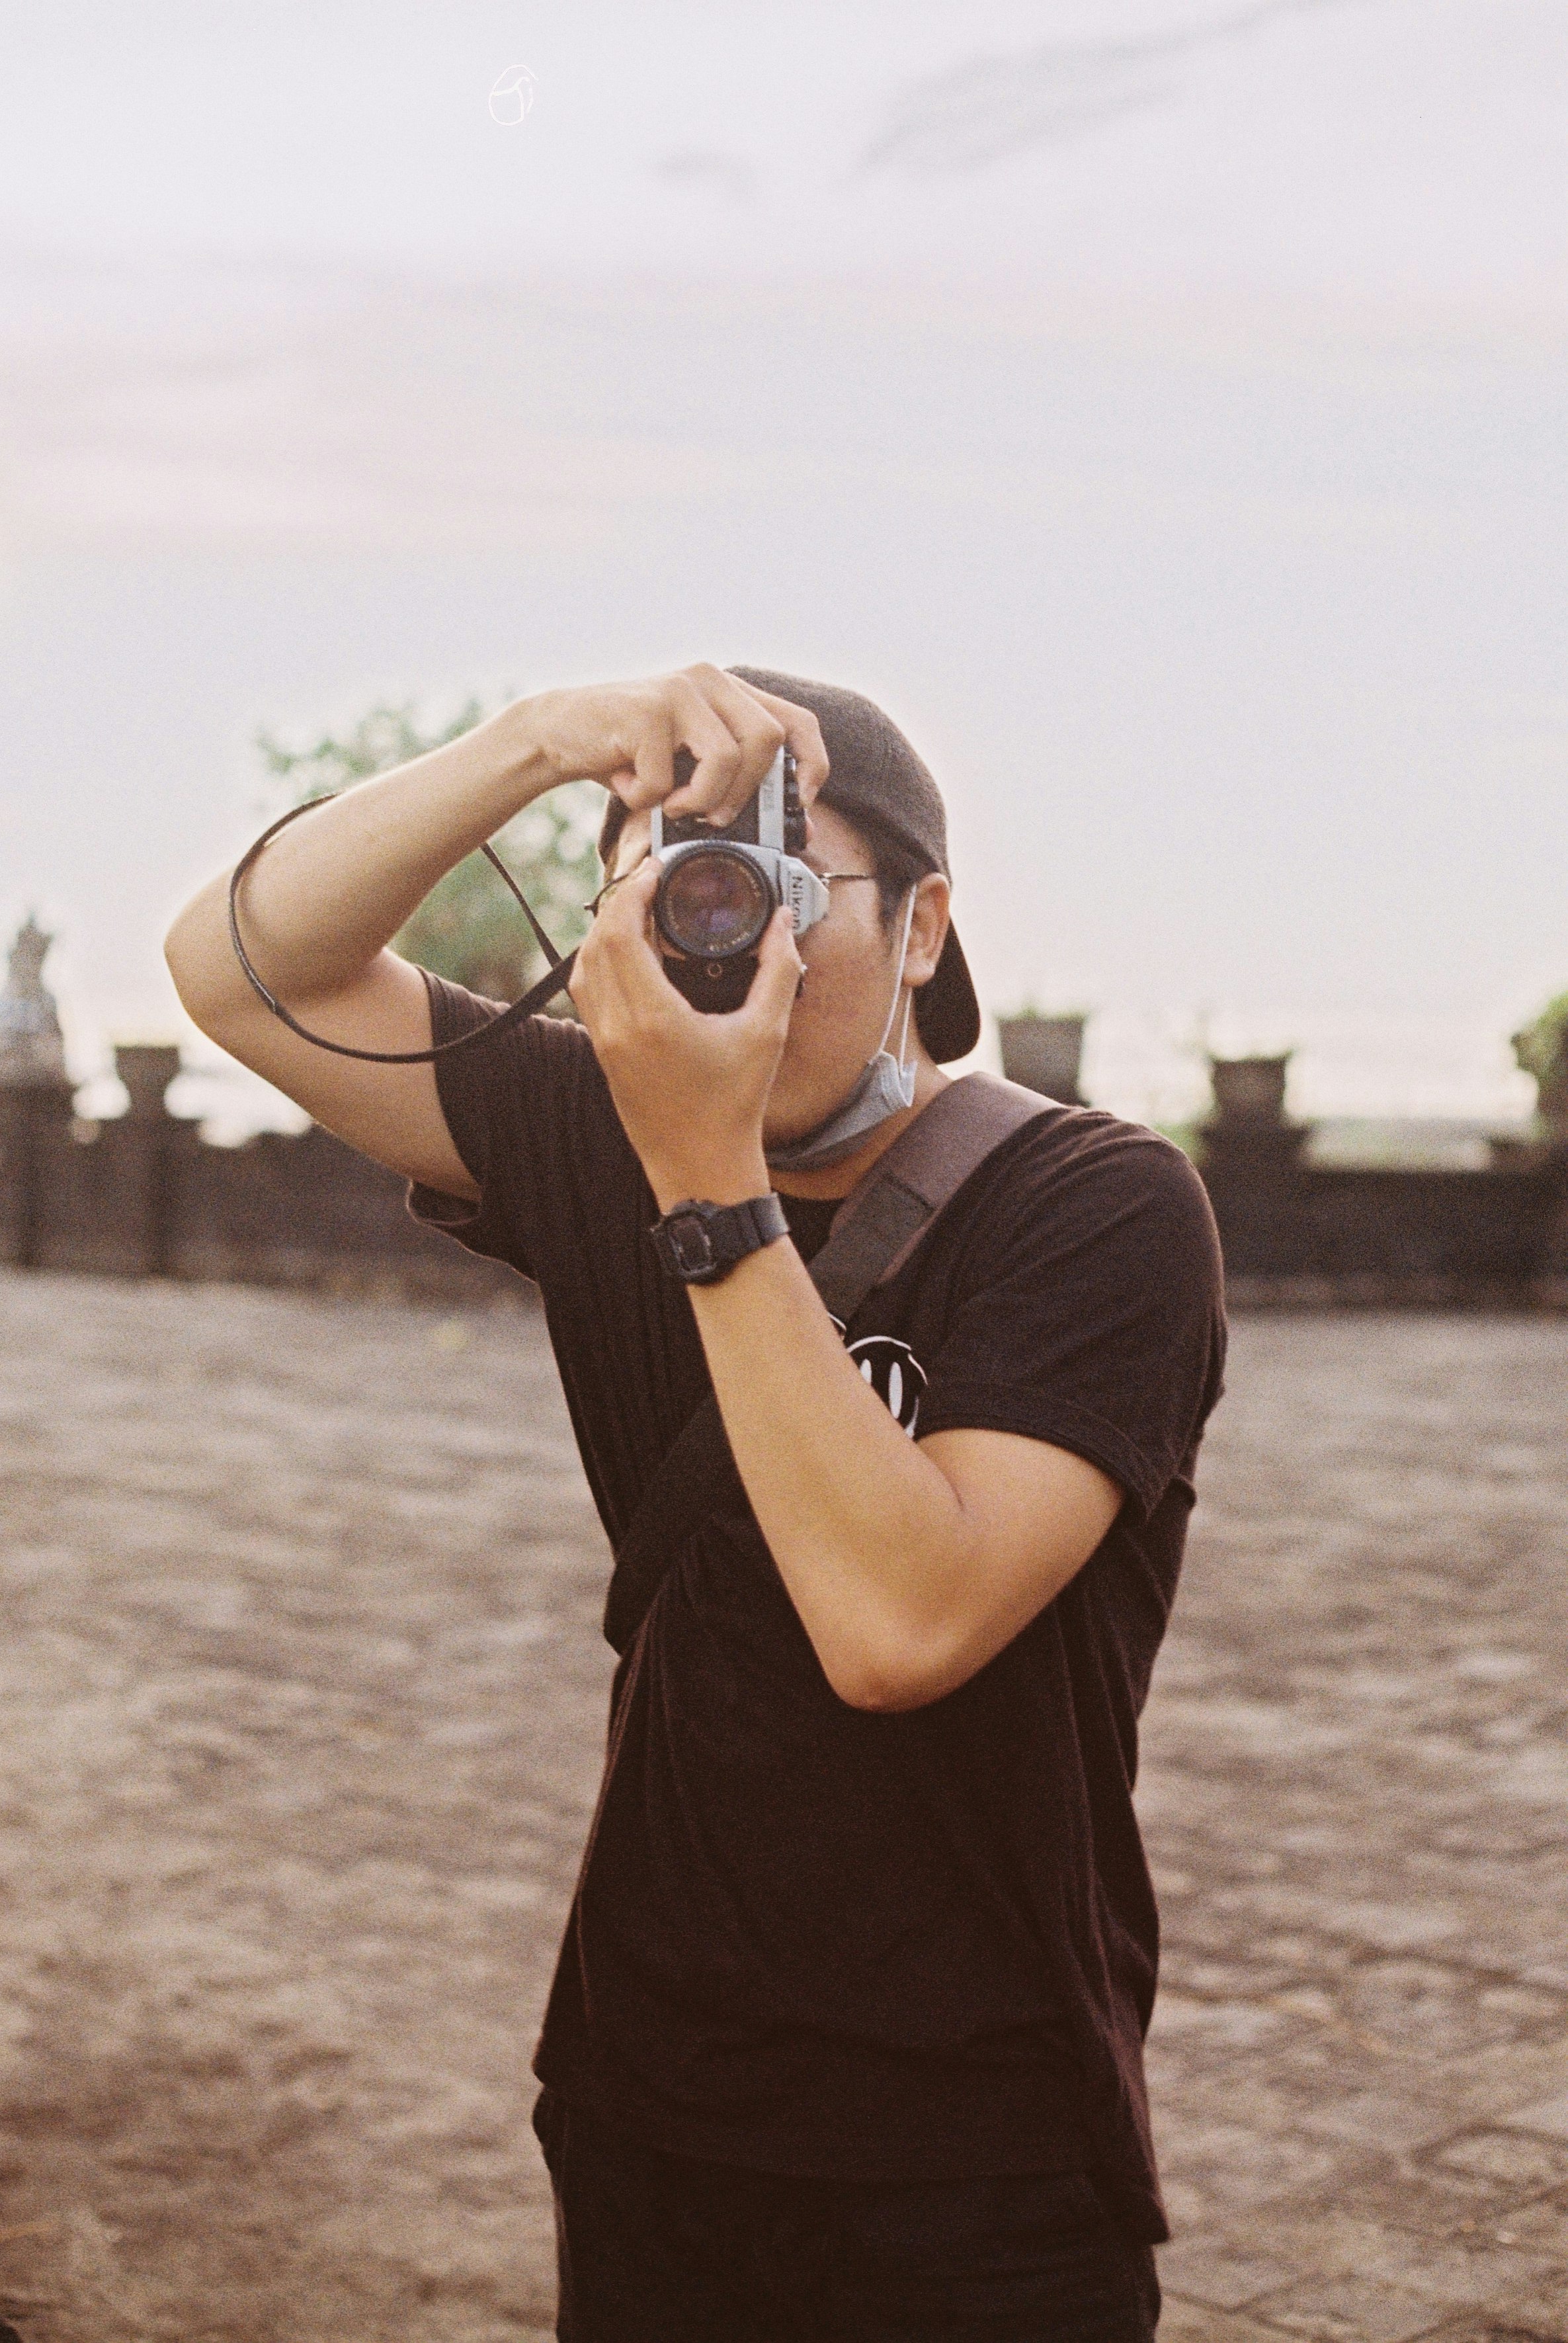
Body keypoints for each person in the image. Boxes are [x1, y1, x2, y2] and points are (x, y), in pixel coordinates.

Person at [165, 663, 1225, 2342]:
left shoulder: (1095, 1206)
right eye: (675, 891)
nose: (736, 946)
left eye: (780, 888)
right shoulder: (604, 1124)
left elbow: (899, 1622)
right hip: (645, 2083)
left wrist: (707, 1176)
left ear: (927, 927)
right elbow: (238, 971)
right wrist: (529, 743)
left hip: (972, 2138)